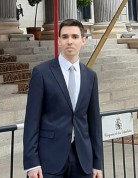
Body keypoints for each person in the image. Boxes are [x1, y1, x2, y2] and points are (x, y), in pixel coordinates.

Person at [23, 19, 102, 178]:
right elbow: (32, 120)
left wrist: (97, 163)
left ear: (83, 41)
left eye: (74, 36)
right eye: (65, 37)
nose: (70, 41)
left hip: (83, 160)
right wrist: (31, 162)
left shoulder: (90, 76)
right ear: (59, 40)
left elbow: (94, 122)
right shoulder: (42, 73)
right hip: (49, 160)